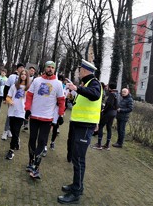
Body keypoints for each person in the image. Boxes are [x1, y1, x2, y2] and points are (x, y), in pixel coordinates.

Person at [58, 59, 102, 204]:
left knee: (79, 159)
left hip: (85, 126)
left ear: (85, 71)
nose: (78, 71)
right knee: (76, 158)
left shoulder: (94, 83)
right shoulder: (86, 84)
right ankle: (77, 186)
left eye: (80, 70)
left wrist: (77, 89)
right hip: (79, 124)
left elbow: (94, 95)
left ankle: (76, 192)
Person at [24, 61, 65, 179]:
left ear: (55, 69)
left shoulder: (57, 84)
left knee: (42, 141)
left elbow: (62, 101)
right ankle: (31, 162)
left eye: (53, 67)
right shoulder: (36, 81)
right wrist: (27, 109)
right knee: (32, 139)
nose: (50, 69)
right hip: (34, 116)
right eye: (49, 67)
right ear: (45, 68)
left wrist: (61, 115)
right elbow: (29, 96)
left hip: (47, 118)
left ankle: (35, 167)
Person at [5, 69, 31, 160]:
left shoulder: (29, 88)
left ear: (27, 76)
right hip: (12, 111)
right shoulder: (14, 86)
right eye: (22, 74)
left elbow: (30, 100)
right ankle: (17, 140)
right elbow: (8, 97)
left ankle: (11, 151)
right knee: (12, 130)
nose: (23, 76)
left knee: (16, 131)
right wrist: (10, 101)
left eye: (25, 74)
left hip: (21, 112)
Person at [1, 63, 25, 140]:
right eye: (20, 67)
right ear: (17, 69)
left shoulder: (25, 78)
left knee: (17, 117)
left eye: (23, 68)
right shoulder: (12, 77)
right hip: (11, 99)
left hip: (21, 103)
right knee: (10, 116)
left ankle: (10, 130)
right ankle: (5, 131)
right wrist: (5, 99)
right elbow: (6, 87)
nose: (21, 69)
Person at [92, 83, 118, 150]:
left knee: (100, 126)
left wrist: (104, 110)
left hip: (108, 113)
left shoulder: (112, 94)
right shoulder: (118, 94)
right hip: (114, 113)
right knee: (109, 128)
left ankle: (99, 144)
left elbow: (109, 104)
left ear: (110, 88)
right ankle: (107, 145)